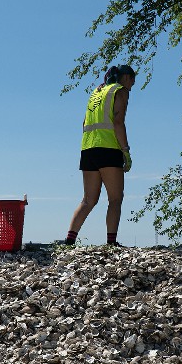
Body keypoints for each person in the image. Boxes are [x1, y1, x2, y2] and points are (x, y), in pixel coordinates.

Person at [64, 64, 135, 246]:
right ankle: (111, 243)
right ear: (126, 78)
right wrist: (125, 151)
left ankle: (69, 241)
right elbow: (118, 122)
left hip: (88, 149)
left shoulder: (97, 93)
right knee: (115, 198)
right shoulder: (120, 91)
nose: (133, 85)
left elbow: (83, 123)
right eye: (133, 80)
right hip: (109, 148)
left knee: (88, 200)